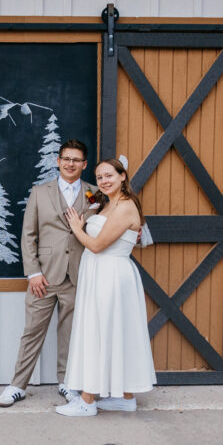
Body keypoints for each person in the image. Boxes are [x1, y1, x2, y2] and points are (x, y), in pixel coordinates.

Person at [0, 139, 96, 407]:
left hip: (77, 274)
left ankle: (67, 383)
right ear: (58, 161)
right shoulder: (40, 192)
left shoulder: (94, 194)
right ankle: (17, 385)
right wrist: (33, 273)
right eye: (66, 159)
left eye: (76, 160)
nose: (71, 164)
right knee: (32, 331)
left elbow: (104, 227)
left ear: (84, 164)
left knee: (71, 333)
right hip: (44, 277)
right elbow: (28, 234)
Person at [55, 156, 156, 417]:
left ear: (123, 176)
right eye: (99, 177)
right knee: (113, 331)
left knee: (98, 330)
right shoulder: (109, 204)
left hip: (110, 275)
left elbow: (97, 245)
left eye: (109, 175)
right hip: (100, 273)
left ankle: (87, 401)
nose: (103, 181)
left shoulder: (125, 207)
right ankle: (126, 398)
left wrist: (77, 227)